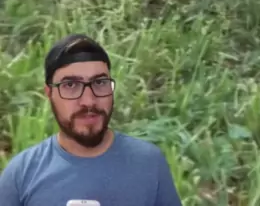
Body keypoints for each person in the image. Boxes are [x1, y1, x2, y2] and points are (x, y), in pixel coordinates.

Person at [0, 33, 183, 206]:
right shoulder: (21, 175)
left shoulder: (149, 164)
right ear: (49, 93)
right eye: (70, 85)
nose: (89, 101)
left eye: (100, 83)